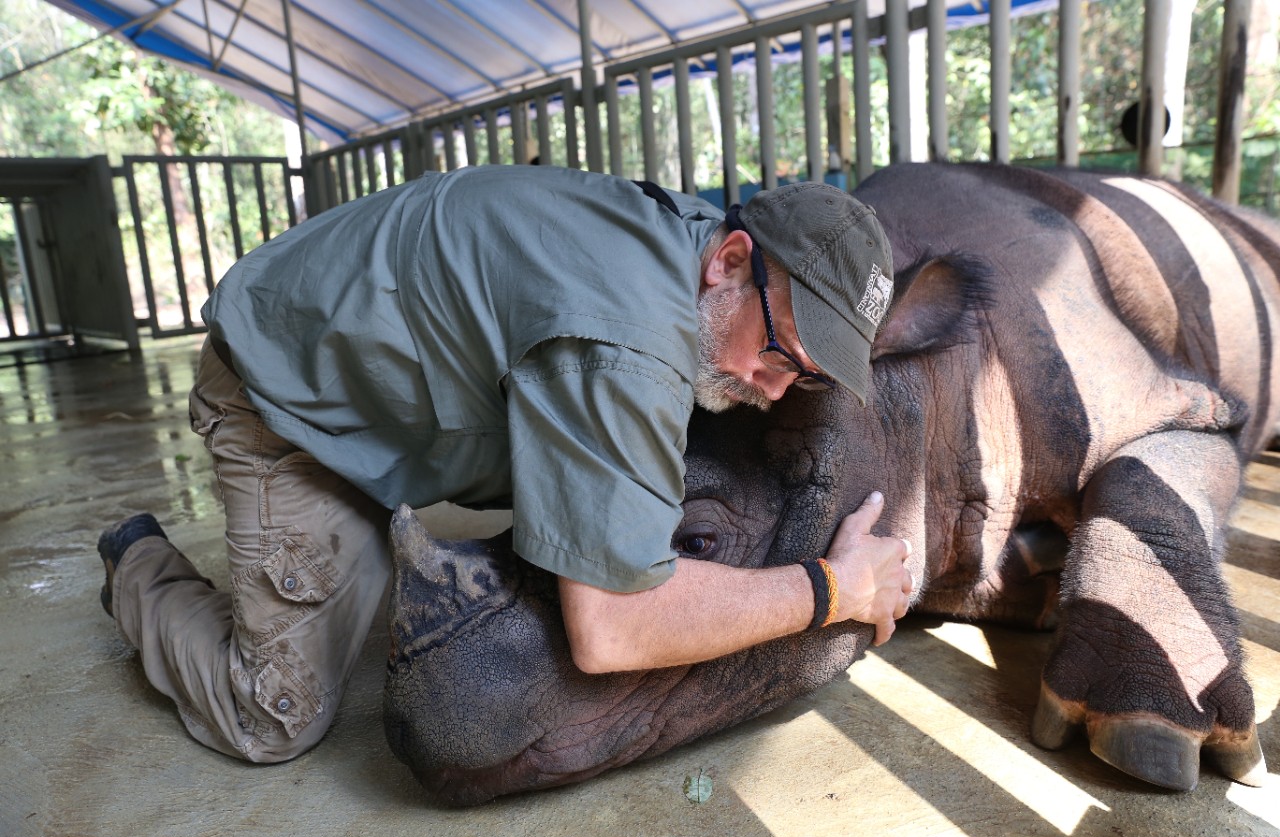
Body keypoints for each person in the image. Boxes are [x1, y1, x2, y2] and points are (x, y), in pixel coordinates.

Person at [95, 165, 914, 763]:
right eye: (779, 351)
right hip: (285, 402)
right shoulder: (624, 340)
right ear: (730, 259)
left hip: (375, 382)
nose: (775, 389)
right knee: (274, 715)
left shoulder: (692, 246)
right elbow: (612, 627)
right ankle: (137, 566)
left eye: (806, 374)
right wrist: (834, 589)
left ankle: (361, 524)